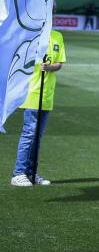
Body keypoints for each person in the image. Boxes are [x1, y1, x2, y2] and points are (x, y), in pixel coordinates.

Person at [11, 27, 66, 187]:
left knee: (37, 137)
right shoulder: (30, 35)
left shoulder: (57, 36)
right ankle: (18, 173)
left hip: (47, 94)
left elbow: (59, 63)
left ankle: (31, 172)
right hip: (32, 92)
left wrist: (50, 68)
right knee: (29, 134)